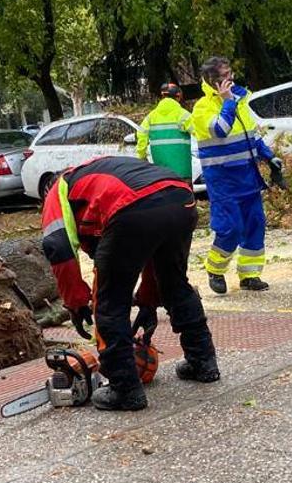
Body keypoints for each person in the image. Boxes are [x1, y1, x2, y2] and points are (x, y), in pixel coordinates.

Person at [41, 156, 221, 411]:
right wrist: (148, 299)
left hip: (133, 206)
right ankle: (204, 362)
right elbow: (146, 246)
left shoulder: (57, 190)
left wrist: (76, 302)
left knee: (110, 301)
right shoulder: (100, 175)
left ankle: (125, 389)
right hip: (179, 197)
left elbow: (57, 248)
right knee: (174, 282)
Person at [189, 56, 284, 295]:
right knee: (230, 227)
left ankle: (250, 275)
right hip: (223, 181)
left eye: (230, 74)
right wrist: (227, 102)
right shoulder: (202, 108)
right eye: (224, 77)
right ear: (211, 81)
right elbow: (221, 130)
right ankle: (215, 269)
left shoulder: (240, 101)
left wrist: (268, 156)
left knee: (255, 224)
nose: (230, 80)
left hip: (247, 176)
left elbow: (250, 136)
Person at [135, 82, 193, 181]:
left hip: (161, 173)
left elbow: (141, 133)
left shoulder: (151, 116)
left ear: (162, 96)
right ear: (178, 96)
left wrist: (142, 156)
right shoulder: (183, 115)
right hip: (182, 172)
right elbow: (201, 133)